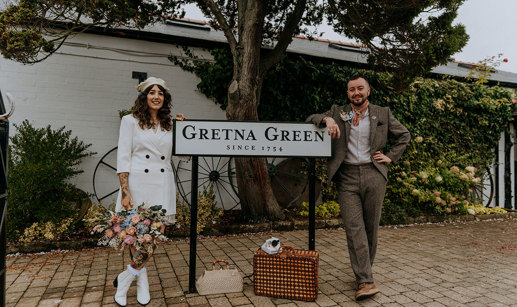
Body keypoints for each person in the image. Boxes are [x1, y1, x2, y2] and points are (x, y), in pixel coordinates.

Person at [306, 75, 410, 301]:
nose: (356, 92)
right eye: (352, 89)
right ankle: (365, 280)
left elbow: (404, 135)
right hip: (347, 177)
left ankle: (364, 271)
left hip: (374, 175)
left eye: (360, 88)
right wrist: (327, 120)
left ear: (368, 91)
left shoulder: (383, 113)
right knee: (354, 228)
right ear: (348, 94)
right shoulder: (338, 112)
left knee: (371, 228)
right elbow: (310, 118)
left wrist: (390, 157)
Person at [113, 77, 183, 306]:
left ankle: (126, 279)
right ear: (144, 97)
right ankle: (142, 281)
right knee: (135, 235)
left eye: (160, 93)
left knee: (153, 236)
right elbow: (123, 156)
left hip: (162, 183)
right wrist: (125, 191)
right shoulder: (129, 121)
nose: (156, 96)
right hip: (137, 183)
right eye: (152, 92)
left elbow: (185, 155)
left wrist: (186, 130)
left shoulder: (171, 124)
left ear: (165, 98)